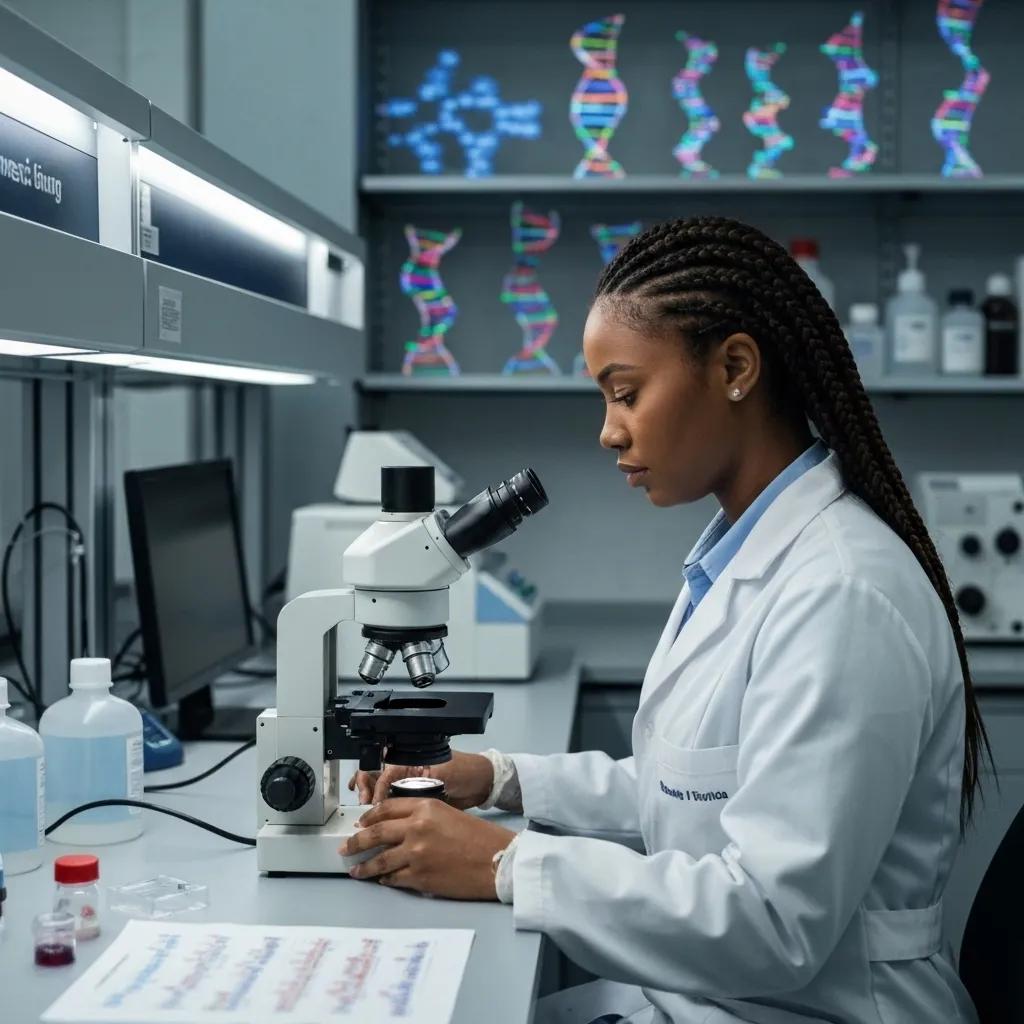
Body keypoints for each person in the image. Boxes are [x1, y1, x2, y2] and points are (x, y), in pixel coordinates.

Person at [341, 216, 985, 1024]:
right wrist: (503, 778)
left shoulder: (841, 594)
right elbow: (696, 790)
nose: (610, 430)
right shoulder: (742, 556)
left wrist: (506, 863)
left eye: (626, 392)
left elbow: (773, 921)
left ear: (736, 368)